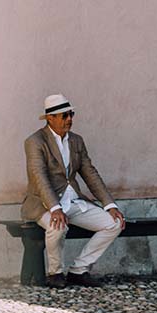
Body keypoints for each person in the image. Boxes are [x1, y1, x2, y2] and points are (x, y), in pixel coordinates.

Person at [21, 93, 125, 288]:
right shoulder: (35, 141)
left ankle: (79, 270)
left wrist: (109, 205)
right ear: (50, 118)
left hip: (74, 202)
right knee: (57, 226)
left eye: (71, 114)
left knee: (115, 223)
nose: (69, 119)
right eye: (64, 115)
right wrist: (54, 208)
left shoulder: (76, 141)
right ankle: (55, 273)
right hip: (43, 204)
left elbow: (90, 174)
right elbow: (39, 177)